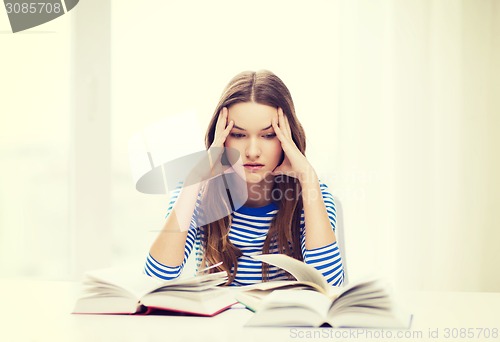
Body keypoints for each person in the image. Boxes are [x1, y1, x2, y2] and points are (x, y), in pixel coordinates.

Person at [145, 70, 344, 286]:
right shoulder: (196, 191)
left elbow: (330, 286)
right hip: (216, 320)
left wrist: (307, 177)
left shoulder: (312, 193)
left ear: (288, 138)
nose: (252, 151)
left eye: (268, 135)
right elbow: (157, 279)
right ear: (221, 138)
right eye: (238, 135)